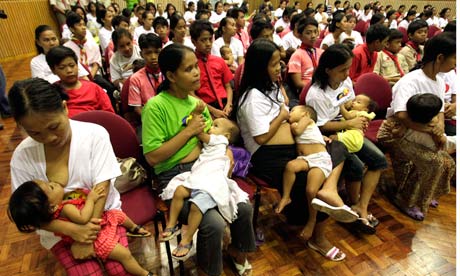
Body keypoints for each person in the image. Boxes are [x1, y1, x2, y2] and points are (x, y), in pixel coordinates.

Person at [142, 43, 256, 276]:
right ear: (171, 75)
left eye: (196, 67)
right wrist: (188, 132)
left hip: (204, 168)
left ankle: (237, 251)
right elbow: (153, 158)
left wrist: (226, 154)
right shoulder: (156, 107)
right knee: (212, 222)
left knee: (243, 207)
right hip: (174, 175)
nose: (197, 73)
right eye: (189, 69)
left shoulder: (197, 104)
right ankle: (208, 271)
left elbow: (211, 139)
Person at [236, 39, 350, 261]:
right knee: (313, 178)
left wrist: (313, 136)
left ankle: (329, 189)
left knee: (337, 147)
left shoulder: (271, 86)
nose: (280, 68)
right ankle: (318, 237)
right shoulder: (251, 98)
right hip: (266, 155)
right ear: (260, 67)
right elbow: (262, 137)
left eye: (280, 62)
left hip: (292, 147)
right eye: (274, 64)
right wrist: (281, 115)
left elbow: (288, 111)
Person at [8, 77, 132, 275]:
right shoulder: (22, 156)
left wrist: (87, 236)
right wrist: (72, 232)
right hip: (56, 231)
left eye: (53, 127)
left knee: (119, 270)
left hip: (102, 218)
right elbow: (27, 211)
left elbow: (102, 187)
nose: (49, 138)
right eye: (35, 133)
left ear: (64, 108)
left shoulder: (94, 135)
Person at [305, 44, 388, 233]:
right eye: (342, 70)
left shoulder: (345, 81)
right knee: (357, 166)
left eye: (348, 68)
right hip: (329, 136)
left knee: (379, 161)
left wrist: (357, 116)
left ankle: (361, 206)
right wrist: (349, 123)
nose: (346, 74)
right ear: (328, 70)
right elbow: (320, 126)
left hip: (349, 129)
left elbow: (347, 104)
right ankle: (353, 205)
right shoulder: (317, 94)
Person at [377, 32, 456, 221]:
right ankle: (405, 199)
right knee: (435, 162)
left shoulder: (439, 81)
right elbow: (401, 115)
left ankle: (423, 194)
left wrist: (440, 131)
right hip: (396, 131)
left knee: (447, 161)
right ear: (440, 58)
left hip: (419, 129)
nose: (456, 63)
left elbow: (439, 112)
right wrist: (432, 130)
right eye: (454, 58)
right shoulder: (411, 81)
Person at [159, 102, 248, 261]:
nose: (210, 127)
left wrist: (194, 114)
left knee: (196, 206)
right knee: (179, 191)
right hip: (200, 175)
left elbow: (196, 131)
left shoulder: (219, 140)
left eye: (215, 125)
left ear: (226, 136)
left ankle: (187, 239)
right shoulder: (217, 140)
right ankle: (171, 225)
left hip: (210, 180)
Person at [9, 180, 154, 276]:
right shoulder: (66, 208)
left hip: (93, 228)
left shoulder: (53, 211)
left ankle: (135, 228)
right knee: (124, 255)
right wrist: (91, 198)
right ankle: (144, 273)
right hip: (96, 236)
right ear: (52, 207)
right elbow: (84, 218)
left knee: (117, 214)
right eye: (52, 187)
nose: (54, 182)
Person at [275, 105, 358, 228]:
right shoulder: (307, 127)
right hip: (305, 159)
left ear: (305, 114)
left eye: (293, 111)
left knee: (311, 190)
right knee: (290, 167)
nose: (290, 113)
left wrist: (292, 126)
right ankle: (286, 197)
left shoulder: (307, 120)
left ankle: (312, 220)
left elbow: (297, 131)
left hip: (320, 160)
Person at [46, 46, 114, 117]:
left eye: (72, 65)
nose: (69, 71)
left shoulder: (93, 88)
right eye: (62, 68)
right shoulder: (52, 92)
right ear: (53, 70)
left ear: (77, 65)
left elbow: (109, 115)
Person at [191, 20, 234, 118]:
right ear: (193, 42)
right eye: (203, 40)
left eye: (210, 39)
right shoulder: (191, 64)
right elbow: (191, 95)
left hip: (226, 103)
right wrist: (213, 111)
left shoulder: (219, 61)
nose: (208, 43)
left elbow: (228, 86)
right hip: (205, 107)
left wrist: (229, 104)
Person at [128, 33, 163, 117]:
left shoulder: (170, 72)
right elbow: (138, 109)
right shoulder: (136, 79)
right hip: (149, 118)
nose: (153, 57)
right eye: (148, 53)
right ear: (141, 54)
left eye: (157, 52)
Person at [287, 17, 324, 93]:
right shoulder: (297, 55)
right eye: (308, 33)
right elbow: (298, 83)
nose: (313, 36)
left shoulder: (322, 52)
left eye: (315, 32)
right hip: (307, 91)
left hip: (322, 88)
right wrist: (316, 86)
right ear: (300, 35)